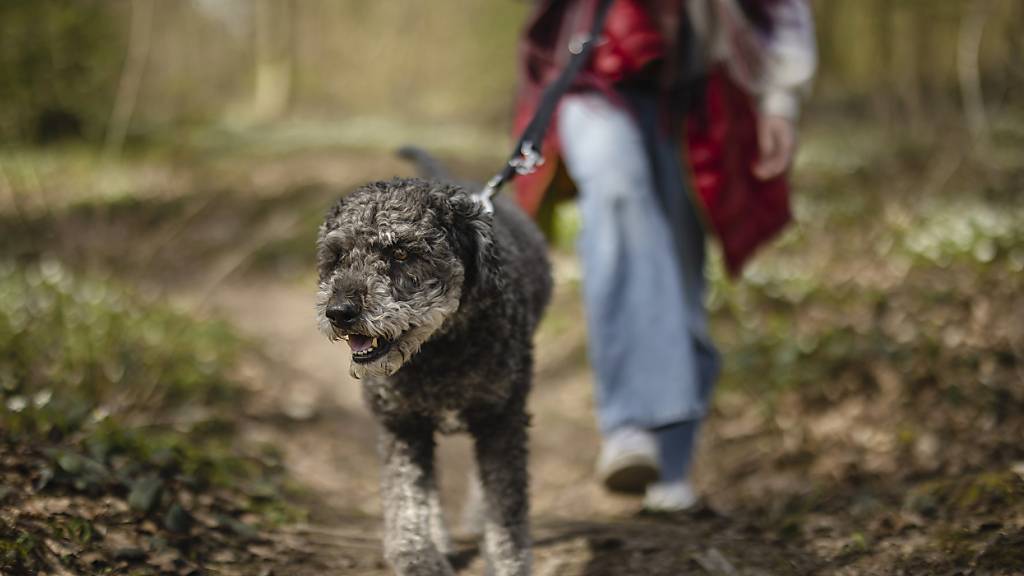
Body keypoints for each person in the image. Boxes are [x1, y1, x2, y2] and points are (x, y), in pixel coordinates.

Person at [513, 0, 817, 511]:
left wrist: (778, 101)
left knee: (677, 270)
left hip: (697, 87)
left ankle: (670, 466)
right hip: (593, 74)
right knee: (616, 197)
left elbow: (781, 10)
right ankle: (629, 425)